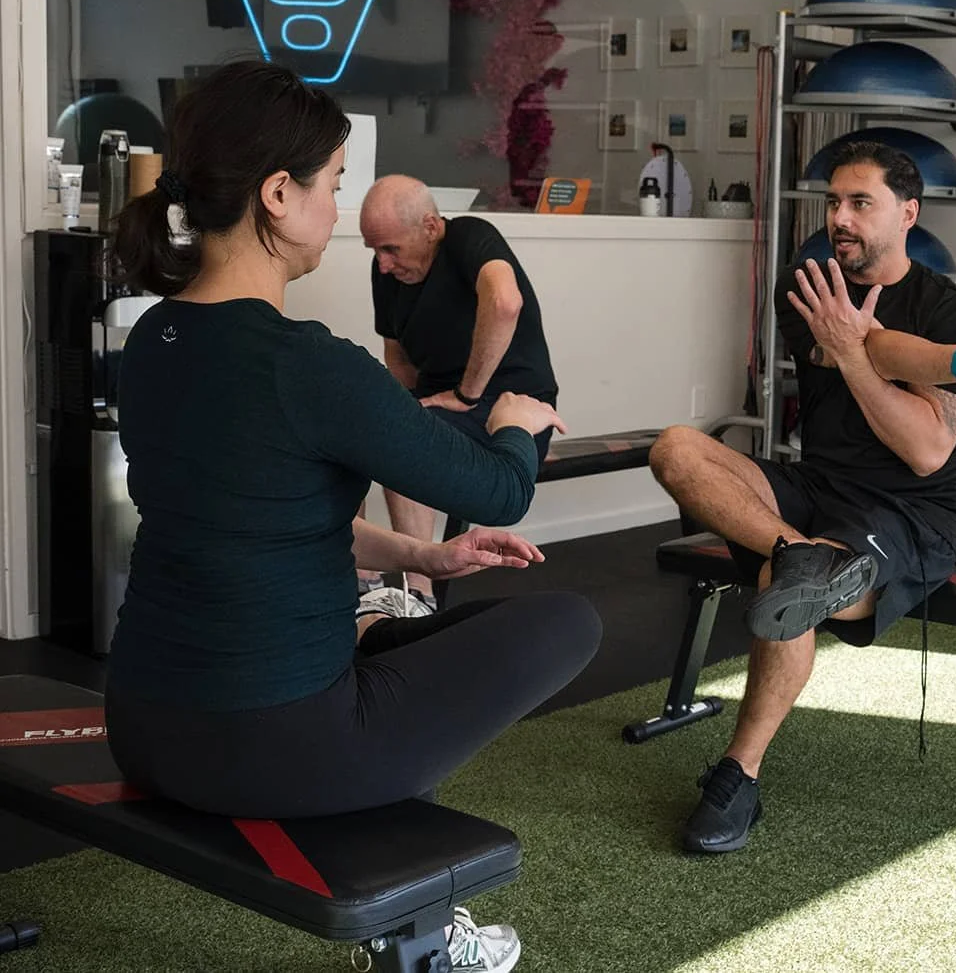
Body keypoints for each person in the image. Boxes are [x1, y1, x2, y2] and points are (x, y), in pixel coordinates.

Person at [105, 60, 599, 972]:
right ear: (277, 194)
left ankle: (372, 627)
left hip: (141, 722)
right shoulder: (312, 364)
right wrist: (517, 422)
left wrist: (426, 555)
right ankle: (420, 922)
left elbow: (256, 513)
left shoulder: (151, 342)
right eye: (332, 185)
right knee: (569, 621)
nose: (336, 212)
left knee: (421, 627)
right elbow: (498, 491)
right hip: (269, 748)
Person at [649, 141, 956, 854]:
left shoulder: (954, 311)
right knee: (676, 448)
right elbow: (871, 346)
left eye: (860, 203)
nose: (839, 217)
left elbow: (926, 448)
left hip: (910, 514)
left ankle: (738, 773)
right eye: (834, 202)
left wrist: (879, 352)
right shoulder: (809, 287)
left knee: (783, 583)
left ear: (908, 213)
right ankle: (805, 557)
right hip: (815, 491)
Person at [360, 175, 560, 608]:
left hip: (514, 409)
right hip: (443, 407)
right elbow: (397, 357)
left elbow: (505, 302)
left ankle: (418, 594)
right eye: (374, 250)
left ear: (430, 227)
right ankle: (358, 579)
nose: (382, 263)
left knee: (404, 439)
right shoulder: (388, 273)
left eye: (391, 248)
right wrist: (394, 408)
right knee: (349, 430)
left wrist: (466, 394)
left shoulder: (468, 236)